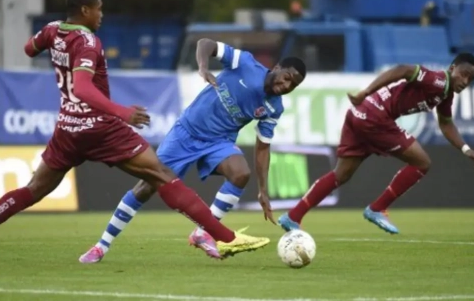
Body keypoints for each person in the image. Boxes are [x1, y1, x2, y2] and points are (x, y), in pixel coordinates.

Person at [0, 0, 270, 265]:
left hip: (67, 129)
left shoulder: (54, 30)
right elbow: (83, 88)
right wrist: (122, 113)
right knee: (162, 175)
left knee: (32, 191)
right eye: (98, 9)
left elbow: (30, 48)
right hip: (99, 127)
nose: (101, 15)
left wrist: (50, 44)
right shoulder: (88, 43)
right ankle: (225, 238)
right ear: (85, 10)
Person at [79, 37, 306, 263]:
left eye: (293, 85)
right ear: (277, 68)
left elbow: (263, 147)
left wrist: (263, 190)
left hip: (219, 142)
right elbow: (205, 44)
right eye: (287, 78)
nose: (286, 86)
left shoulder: (274, 108)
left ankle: (203, 233)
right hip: (186, 133)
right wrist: (204, 67)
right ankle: (101, 245)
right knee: (145, 188)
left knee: (240, 173)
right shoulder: (245, 63)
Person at [277, 54, 474, 234]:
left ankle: (293, 216)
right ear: (452, 68)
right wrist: (366, 91)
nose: (465, 81)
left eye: (471, 79)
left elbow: (446, 124)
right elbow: (402, 70)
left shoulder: (445, 94)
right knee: (422, 162)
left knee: (341, 174)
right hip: (376, 116)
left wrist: (465, 149)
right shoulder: (438, 80)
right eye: (464, 74)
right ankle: (377, 208)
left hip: (360, 114)